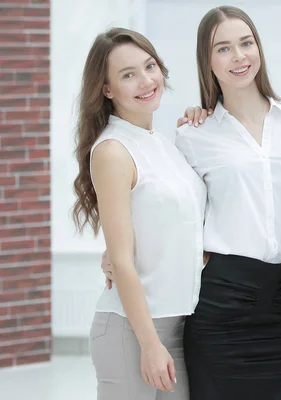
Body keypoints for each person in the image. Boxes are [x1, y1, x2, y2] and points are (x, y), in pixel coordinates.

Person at [174, 6, 281, 399]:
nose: (238, 56)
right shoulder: (193, 135)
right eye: (223, 48)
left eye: (246, 43)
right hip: (221, 303)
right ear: (208, 62)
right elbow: (173, 211)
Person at [72, 28, 206, 399]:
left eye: (150, 66)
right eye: (128, 74)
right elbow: (122, 262)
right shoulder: (113, 151)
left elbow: (187, 230)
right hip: (132, 332)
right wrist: (148, 344)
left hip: (177, 326)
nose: (146, 81)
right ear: (107, 89)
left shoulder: (164, 143)